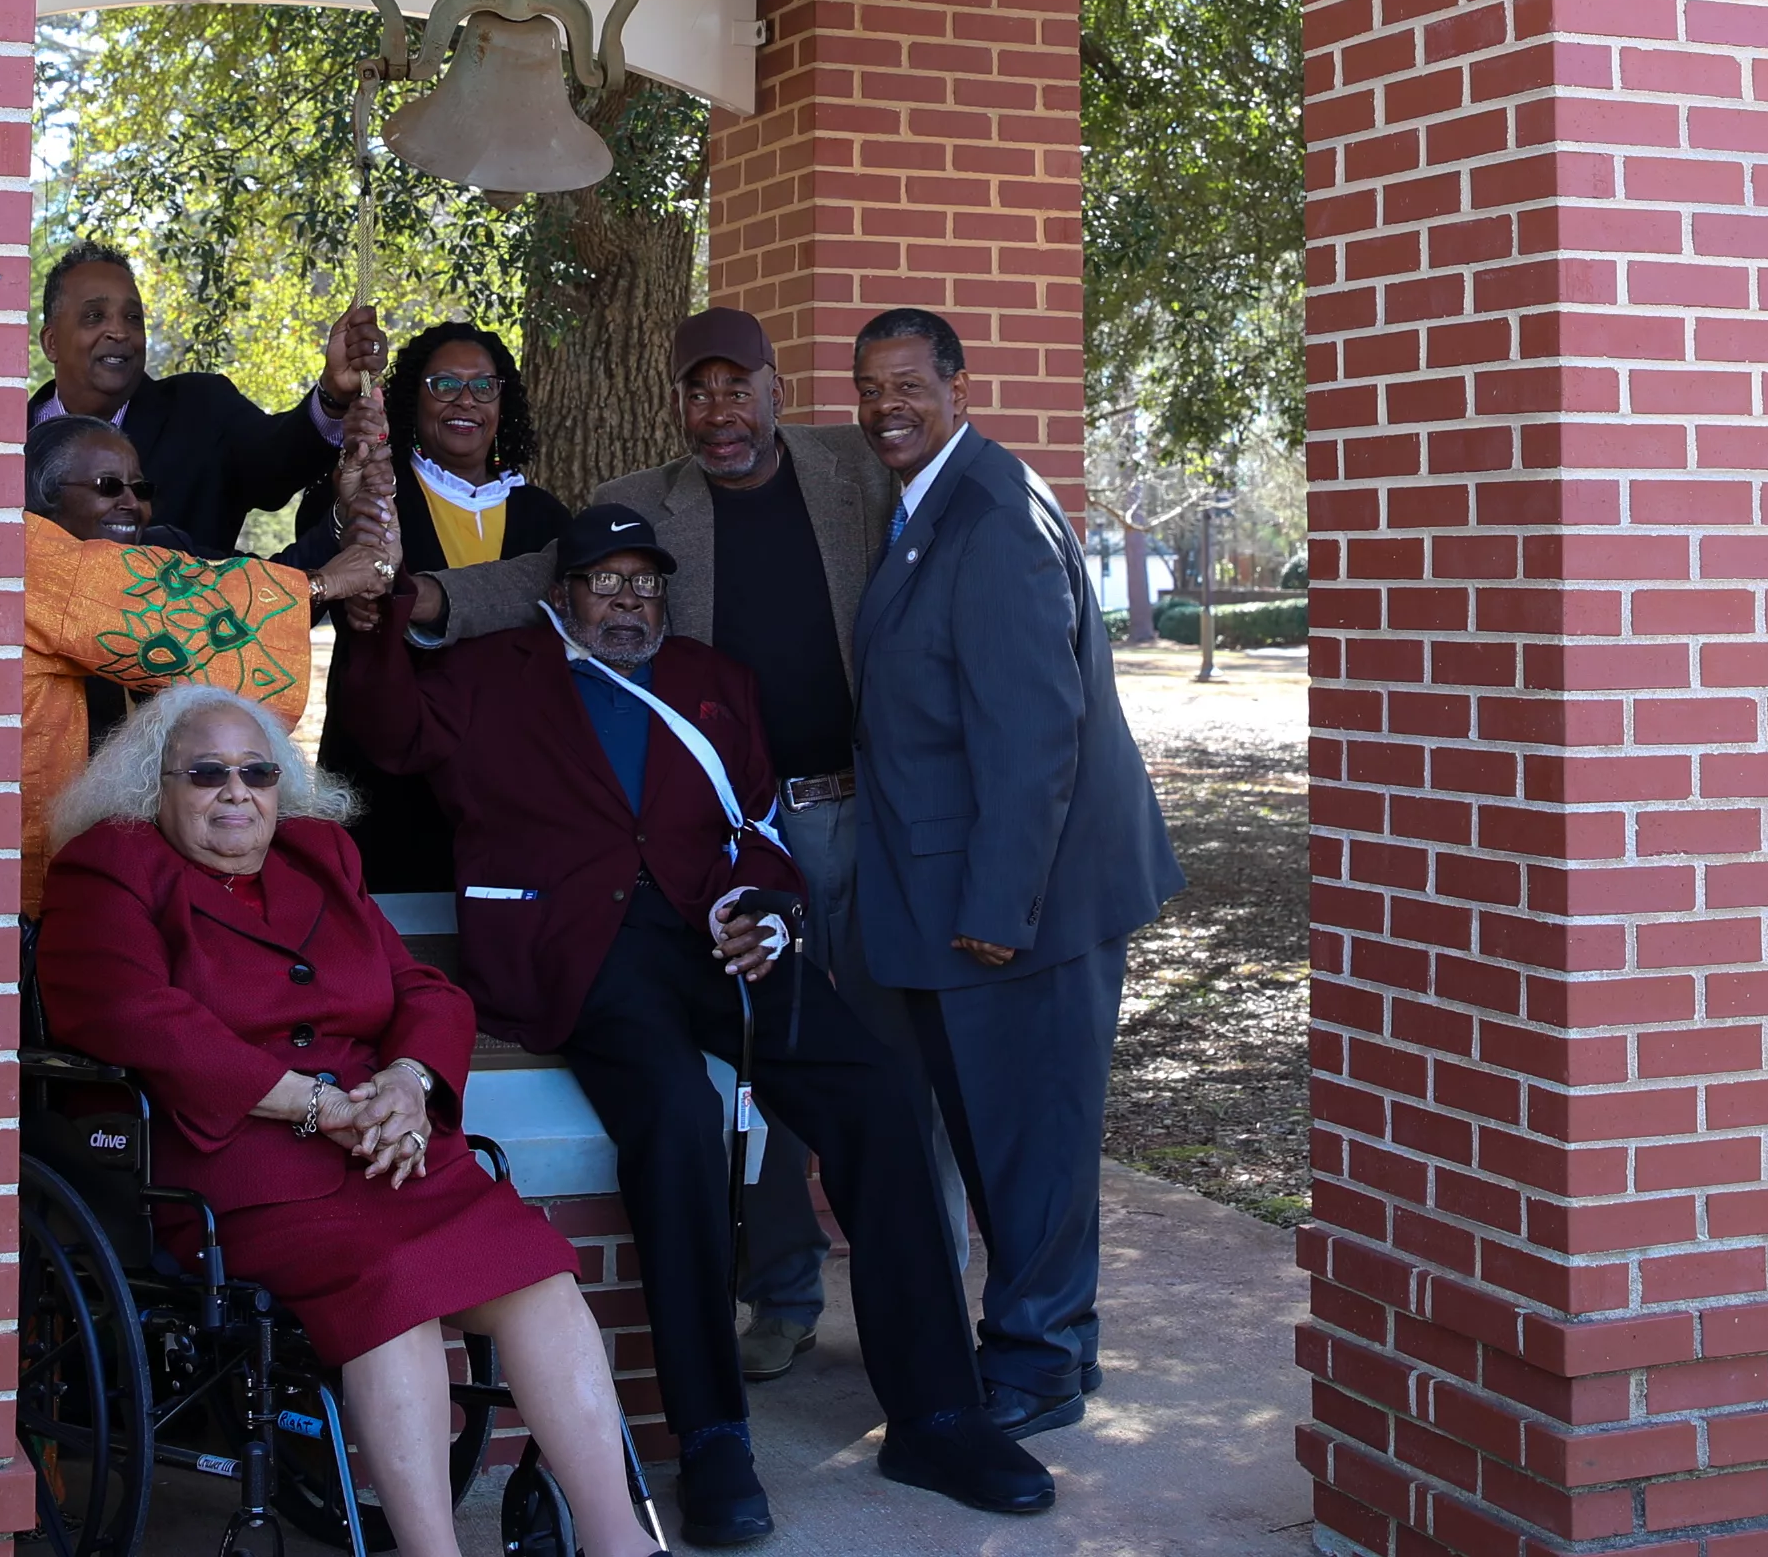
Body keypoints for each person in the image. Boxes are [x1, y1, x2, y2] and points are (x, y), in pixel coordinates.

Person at [344, 502, 1054, 1546]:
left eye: (645, 583)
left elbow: (757, 825)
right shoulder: (489, 673)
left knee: (878, 1095)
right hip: (578, 953)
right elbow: (388, 730)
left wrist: (767, 907)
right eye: (604, 582)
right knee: (676, 1122)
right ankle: (712, 1435)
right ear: (561, 594)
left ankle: (937, 1415)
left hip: (714, 938)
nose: (627, 602)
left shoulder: (714, 682)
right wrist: (372, 621)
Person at [408, 306, 946, 1383]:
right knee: (759, 1057)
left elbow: (946, 518)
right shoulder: (644, 504)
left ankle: (933, 1341)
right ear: (676, 404)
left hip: (867, 812)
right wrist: (421, 596)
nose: (719, 410)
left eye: (738, 386)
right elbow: (538, 581)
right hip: (733, 833)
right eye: (698, 391)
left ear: (776, 388)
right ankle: (782, 1295)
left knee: (886, 1070)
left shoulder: (853, 468)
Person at [37, 684, 662, 1557]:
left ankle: (620, 1539)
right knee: (390, 1291)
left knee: (540, 1276)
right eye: (206, 773)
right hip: (236, 1169)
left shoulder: (320, 856)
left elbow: (422, 991)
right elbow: (131, 1014)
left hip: (390, 1151)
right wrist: (315, 1103)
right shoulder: (109, 867)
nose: (236, 792)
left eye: (257, 773)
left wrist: (409, 1080)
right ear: (156, 786)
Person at [846, 306, 1181, 1440]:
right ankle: (1058, 1343)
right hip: (968, 890)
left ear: (958, 387)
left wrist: (999, 906)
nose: (885, 407)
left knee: (1030, 1142)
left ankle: (1035, 1368)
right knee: (1010, 1140)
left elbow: (1036, 735)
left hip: (1022, 902)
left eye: (907, 385)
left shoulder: (990, 516)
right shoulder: (929, 501)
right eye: (869, 388)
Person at [17, 410, 399, 913]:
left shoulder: (160, 554)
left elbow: (249, 594)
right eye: (108, 486)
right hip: (19, 880)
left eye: (141, 488)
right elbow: (195, 613)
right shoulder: (22, 559)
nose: (130, 503)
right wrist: (324, 584)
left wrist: (347, 517)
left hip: (132, 876)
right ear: (44, 501)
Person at [302, 323, 571, 894]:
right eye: (444, 384)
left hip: (511, 786)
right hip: (387, 780)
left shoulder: (545, 517)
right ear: (413, 399)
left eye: (484, 386)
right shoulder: (377, 492)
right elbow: (327, 577)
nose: (465, 401)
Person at [31, 241, 376, 544]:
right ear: (51, 342)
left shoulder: (202, 410)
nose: (119, 332)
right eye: (95, 316)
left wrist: (332, 394)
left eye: (133, 318)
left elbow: (275, 464)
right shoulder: (11, 442)